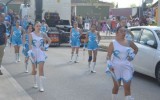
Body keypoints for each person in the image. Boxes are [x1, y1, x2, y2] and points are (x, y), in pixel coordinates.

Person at [106, 26, 138, 100]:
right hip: (115, 67)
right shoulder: (113, 43)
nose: (123, 33)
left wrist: (132, 56)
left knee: (127, 87)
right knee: (117, 86)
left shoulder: (129, 42)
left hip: (126, 66)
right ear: (117, 33)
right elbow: (108, 56)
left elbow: (136, 49)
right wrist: (109, 64)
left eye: (124, 31)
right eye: (121, 31)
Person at [28, 21, 51, 92]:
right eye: (37, 26)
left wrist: (46, 47)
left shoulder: (43, 34)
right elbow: (30, 45)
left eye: (40, 26)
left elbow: (49, 40)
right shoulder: (31, 34)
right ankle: (35, 83)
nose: (39, 27)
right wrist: (31, 53)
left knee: (41, 68)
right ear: (34, 27)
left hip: (41, 52)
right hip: (34, 52)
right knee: (34, 70)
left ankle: (41, 86)